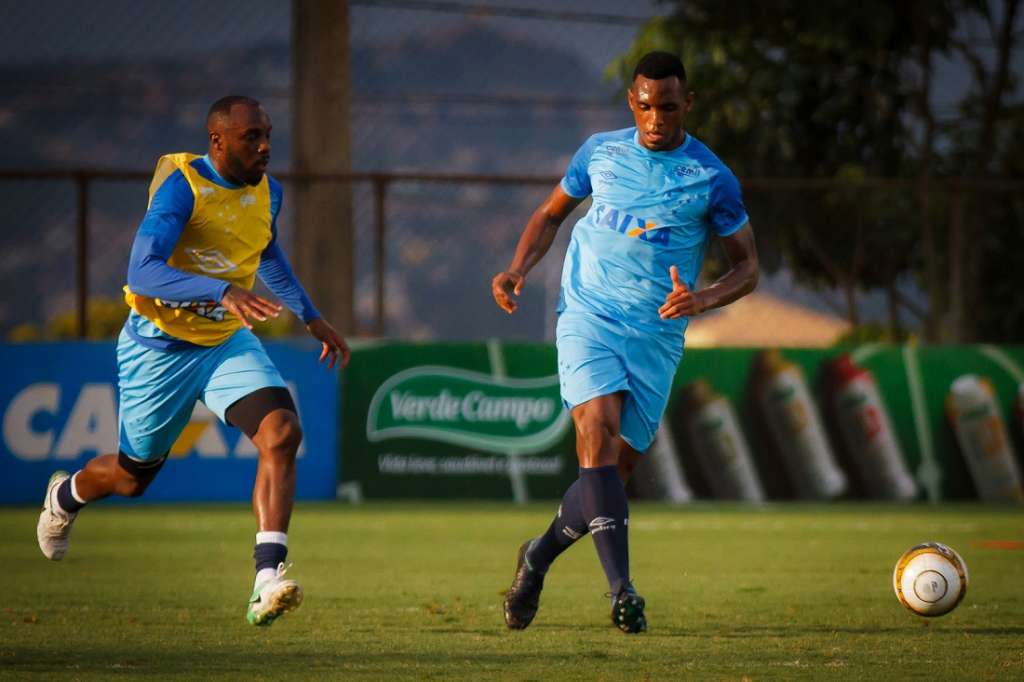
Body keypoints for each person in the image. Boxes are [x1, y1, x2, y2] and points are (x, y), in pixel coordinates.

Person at [35, 95, 350, 627]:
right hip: (158, 350)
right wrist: (223, 292)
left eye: (268, 134)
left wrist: (311, 316)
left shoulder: (269, 193)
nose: (265, 146)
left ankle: (265, 581)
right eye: (252, 136)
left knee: (281, 432)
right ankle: (65, 495)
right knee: (132, 480)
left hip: (226, 344)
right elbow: (143, 273)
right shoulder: (184, 187)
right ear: (218, 140)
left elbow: (266, 253)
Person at [492, 52, 759, 633]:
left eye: (667, 106)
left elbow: (748, 268)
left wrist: (704, 298)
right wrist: (518, 268)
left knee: (611, 472)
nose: (656, 117)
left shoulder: (711, 177)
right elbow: (549, 215)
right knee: (596, 432)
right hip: (589, 314)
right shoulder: (600, 152)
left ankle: (536, 557)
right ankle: (622, 592)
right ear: (631, 103)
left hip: (657, 337)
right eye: (645, 105)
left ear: (687, 104)